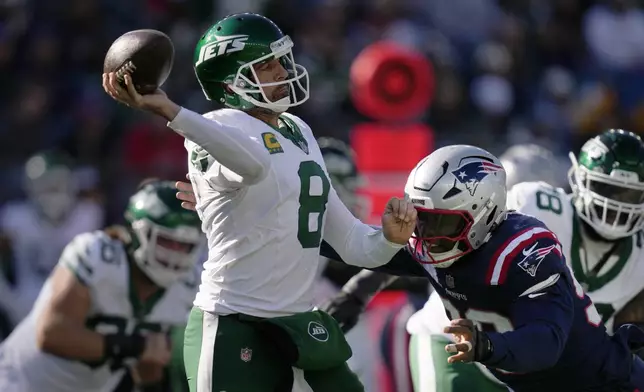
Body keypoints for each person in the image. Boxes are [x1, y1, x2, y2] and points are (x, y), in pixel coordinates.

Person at [103, 12, 417, 392]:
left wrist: (389, 239)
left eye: (282, 60)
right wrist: (174, 113)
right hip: (234, 324)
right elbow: (252, 166)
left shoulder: (298, 130)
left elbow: (351, 242)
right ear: (234, 82)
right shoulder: (213, 128)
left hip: (298, 320)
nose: (283, 71)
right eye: (267, 66)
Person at [308, 144, 644, 391]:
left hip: (580, 376)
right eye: (420, 222)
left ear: (486, 215)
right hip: (464, 351)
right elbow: (371, 248)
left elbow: (544, 342)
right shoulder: (439, 238)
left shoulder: (520, 251)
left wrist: (487, 346)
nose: (427, 238)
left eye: (441, 225)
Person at [0, 180, 204, 392]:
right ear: (139, 233)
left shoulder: (186, 285)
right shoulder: (97, 256)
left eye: (185, 245)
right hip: (19, 383)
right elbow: (52, 333)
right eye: (166, 241)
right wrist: (137, 346)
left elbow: (150, 357)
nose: (175, 253)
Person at [0, 150, 104, 330]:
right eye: (45, 186)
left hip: (74, 306)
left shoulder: (88, 214)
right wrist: (10, 302)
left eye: (57, 185)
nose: (52, 192)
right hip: (25, 306)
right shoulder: (16, 218)